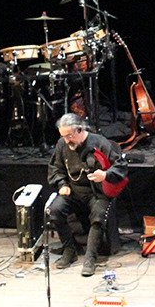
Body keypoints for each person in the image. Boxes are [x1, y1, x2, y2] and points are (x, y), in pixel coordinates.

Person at [46, 112, 128, 277]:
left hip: (97, 192)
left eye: (69, 136)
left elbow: (121, 165)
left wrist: (105, 175)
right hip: (73, 191)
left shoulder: (99, 142)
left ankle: (90, 258)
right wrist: (62, 184)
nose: (67, 140)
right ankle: (70, 250)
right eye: (63, 136)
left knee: (98, 216)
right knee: (55, 210)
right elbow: (56, 168)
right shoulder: (63, 144)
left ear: (79, 130)